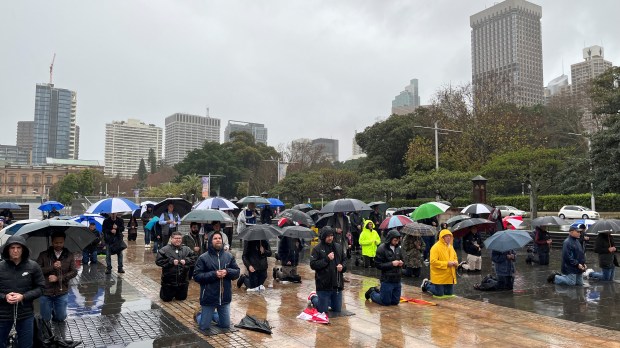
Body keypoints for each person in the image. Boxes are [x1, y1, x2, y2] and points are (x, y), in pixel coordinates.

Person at [0, 235, 45, 347]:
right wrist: (4, 297)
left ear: (23, 249)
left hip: (25, 314)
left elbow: (41, 288)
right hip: (2, 314)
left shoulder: (33, 266)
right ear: (7, 249)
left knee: (26, 345)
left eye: (18, 247)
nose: (15, 250)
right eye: (12, 247)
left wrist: (23, 296)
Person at [194, 231, 240, 332]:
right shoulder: (203, 258)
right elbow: (197, 276)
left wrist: (227, 272)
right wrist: (214, 274)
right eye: (215, 238)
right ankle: (199, 315)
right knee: (204, 327)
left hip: (224, 297)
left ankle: (213, 315)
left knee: (225, 325)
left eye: (219, 238)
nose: (218, 240)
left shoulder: (229, 256)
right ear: (210, 241)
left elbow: (237, 272)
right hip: (208, 297)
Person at [36, 231, 78, 322]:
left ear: (64, 242)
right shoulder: (43, 255)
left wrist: (58, 278)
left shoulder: (69, 255)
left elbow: (74, 272)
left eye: (61, 242)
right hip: (46, 291)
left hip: (61, 291)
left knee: (60, 318)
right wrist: (52, 267)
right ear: (52, 242)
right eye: (56, 242)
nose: (58, 244)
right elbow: (37, 270)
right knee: (45, 319)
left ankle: (56, 312)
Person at [308, 227, 346, 313]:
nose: (330, 238)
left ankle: (326, 301)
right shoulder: (317, 249)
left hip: (337, 285)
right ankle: (314, 297)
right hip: (323, 285)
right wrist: (326, 259)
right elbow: (313, 265)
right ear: (323, 236)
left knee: (337, 310)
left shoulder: (338, 247)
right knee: (323, 311)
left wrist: (342, 267)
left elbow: (344, 260)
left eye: (332, 235)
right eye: (328, 236)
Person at [365, 229, 403, 306]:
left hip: (397, 278)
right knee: (385, 302)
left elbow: (402, 259)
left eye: (398, 241)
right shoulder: (381, 249)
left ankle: (382, 293)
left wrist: (401, 263)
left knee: (395, 302)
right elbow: (378, 265)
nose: (396, 242)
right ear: (390, 239)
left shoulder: (398, 248)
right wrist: (391, 264)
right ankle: (372, 292)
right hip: (387, 279)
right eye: (395, 240)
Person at [156, 231, 196, 302]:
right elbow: (158, 261)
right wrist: (170, 261)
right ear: (171, 239)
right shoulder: (164, 249)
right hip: (169, 282)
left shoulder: (187, 249)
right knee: (166, 299)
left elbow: (194, 258)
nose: (178, 240)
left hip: (183, 282)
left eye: (179, 238)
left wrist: (186, 261)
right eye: (176, 238)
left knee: (181, 298)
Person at [421, 229, 458, 297]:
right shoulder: (435, 247)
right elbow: (433, 262)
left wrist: (456, 262)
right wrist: (446, 264)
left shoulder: (451, 247)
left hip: (449, 275)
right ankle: (426, 284)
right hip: (439, 275)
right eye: (446, 236)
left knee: (449, 293)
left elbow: (455, 257)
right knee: (439, 293)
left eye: (450, 236)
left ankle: (436, 286)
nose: (449, 238)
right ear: (442, 237)